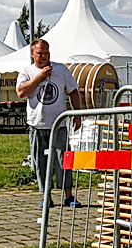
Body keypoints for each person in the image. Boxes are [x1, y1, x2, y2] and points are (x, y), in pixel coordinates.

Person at [16, 39, 83, 208]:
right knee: (40, 163)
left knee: (63, 161)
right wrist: (40, 77)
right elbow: (21, 92)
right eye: (40, 53)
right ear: (33, 54)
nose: (44, 56)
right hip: (36, 125)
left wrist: (77, 114)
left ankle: (69, 195)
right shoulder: (26, 71)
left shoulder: (61, 70)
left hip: (58, 124)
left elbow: (73, 91)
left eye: (46, 53)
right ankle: (46, 196)